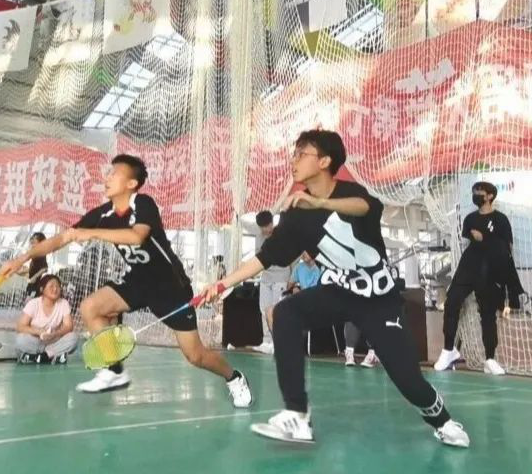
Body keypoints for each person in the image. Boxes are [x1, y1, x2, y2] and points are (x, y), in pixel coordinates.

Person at [202, 130, 468, 447]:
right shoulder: (296, 214)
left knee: (408, 381)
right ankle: (297, 415)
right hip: (339, 293)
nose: (293, 160)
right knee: (285, 313)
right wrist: (222, 284)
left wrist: (320, 203)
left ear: (325, 161)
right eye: (294, 154)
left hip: (378, 300)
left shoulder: (350, 193)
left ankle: (443, 420)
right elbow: (264, 257)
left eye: (302, 154)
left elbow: (364, 207)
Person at [0, 154, 252, 407]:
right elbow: (62, 238)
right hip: (137, 280)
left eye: (114, 173)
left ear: (131, 183)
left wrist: (90, 233)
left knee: (195, 356)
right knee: (90, 308)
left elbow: (137, 236)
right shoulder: (103, 213)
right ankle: (114, 370)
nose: (107, 177)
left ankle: (234, 377)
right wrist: (22, 258)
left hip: (169, 286)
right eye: (108, 173)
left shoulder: (143, 203)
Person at [434, 182, 514, 376]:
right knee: (452, 303)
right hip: (468, 266)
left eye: (479, 191)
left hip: (490, 270)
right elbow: (469, 240)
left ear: (490, 196)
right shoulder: (470, 219)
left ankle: (490, 359)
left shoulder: (501, 220)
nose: (475, 194)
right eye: (474, 191)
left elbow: (506, 248)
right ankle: (448, 350)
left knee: (487, 314)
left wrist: (485, 239)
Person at [252, 210, 292, 354]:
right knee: (264, 310)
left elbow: (291, 257)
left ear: (272, 223)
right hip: (265, 279)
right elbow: (258, 257)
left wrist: (291, 277)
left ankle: (278, 342)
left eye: (268, 226)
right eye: (262, 227)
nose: (266, 229)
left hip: (281, 277)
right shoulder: (259, 237)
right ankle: (267, 341)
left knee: (277, 312)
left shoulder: (282, 235)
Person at [15, 274, 79, 364]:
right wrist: (38, 332)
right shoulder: (33, 304)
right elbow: (20, 326)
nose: (55, 289)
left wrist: (55, 334)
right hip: (35, 341)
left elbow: (68, 326)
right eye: (51, 286)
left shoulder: (63, 303)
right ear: (42, 289)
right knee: (20, 340)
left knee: (73, 338)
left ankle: (42, 356)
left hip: (53, 341)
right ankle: (51, 355)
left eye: (58, 286)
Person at [17, 232, 49, 297]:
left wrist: (34, 277)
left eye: (35, 238)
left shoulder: (40, 253)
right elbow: (32, 271)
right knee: (29, 301)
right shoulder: (35, 255)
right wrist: (17, 271)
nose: (33, 240)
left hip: (35, 286)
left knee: (30, 301)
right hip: (32, 285)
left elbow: (45, 268)